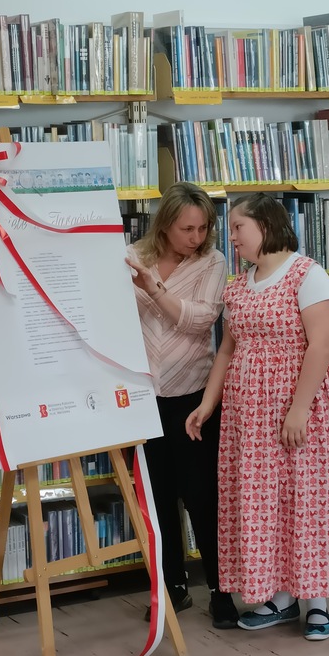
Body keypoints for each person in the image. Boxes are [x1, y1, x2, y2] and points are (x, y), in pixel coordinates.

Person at [186, 193, 329, 641]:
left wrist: (298, 410)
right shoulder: (239, 286)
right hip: (250, 415)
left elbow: (321, 345)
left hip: (298, 407)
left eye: (239, 227)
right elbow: (227, 350)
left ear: (266, 225)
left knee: (306, 497)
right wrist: (208, 404)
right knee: (264, 501)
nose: (232, 237)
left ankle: (317, 603)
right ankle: (280, 597)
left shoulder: (307, 274)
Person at [125, 181, 239, 629]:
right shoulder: (132, 256)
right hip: (140, 399)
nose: (196, 237)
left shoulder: (213, 262)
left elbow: (201, 320)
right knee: (156, 500)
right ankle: (172, 586)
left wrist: (154, 290)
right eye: (186, 229)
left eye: (203, 227)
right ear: (165, 226)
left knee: (202, 497)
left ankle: (221, 591)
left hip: (192, 397)